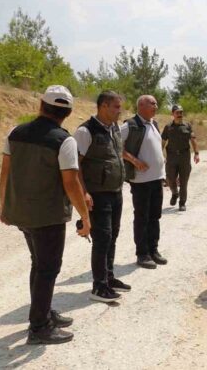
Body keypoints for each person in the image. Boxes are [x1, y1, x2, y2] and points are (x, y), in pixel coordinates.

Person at [0, 85, 91, 345]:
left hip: (21, 213)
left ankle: (43, 312)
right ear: (69, 112)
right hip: (47, 216)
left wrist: (3, 205)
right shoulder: (64, 140)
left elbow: (5, 171)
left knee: (38, 264)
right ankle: (39, 327)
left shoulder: (15, 132)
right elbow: (71, 184)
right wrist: (86, 217)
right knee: (48, 268)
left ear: (41, 105)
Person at [74, 91, 129, 303]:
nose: (119, 111)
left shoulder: (114, 128)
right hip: (98, 194)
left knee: (112, 235)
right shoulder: (85, 131)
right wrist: (84, 192)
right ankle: (99, 286)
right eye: (116, 107)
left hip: (115, 191)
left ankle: (109, 277)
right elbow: (75, 164)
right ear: (103, 106)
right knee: (102, 238)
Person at [121, 95, 167, 269]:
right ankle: (142, 254)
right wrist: (134, 160)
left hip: (157, 179)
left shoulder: (153, 124)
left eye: (156, 103)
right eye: (152, 103)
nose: (156, 106)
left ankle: (153, 250)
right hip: (141, 181)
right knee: (142, 217)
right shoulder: (130, 125)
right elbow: (115, 144)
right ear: (140, 105)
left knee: (155, 216)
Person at [161, 105, 199, 211]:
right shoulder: (168, 127)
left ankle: (182, 203)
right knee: (170, 178)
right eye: (177, 112)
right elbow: (163, 142)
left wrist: (196, 153)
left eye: (181, 112)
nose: (179, 115)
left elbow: (193, 139)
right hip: (171, 156)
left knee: (184, 181)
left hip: (184, 157)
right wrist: (160, 155)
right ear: (173, 114)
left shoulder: (187, 126)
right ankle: (174, 193)